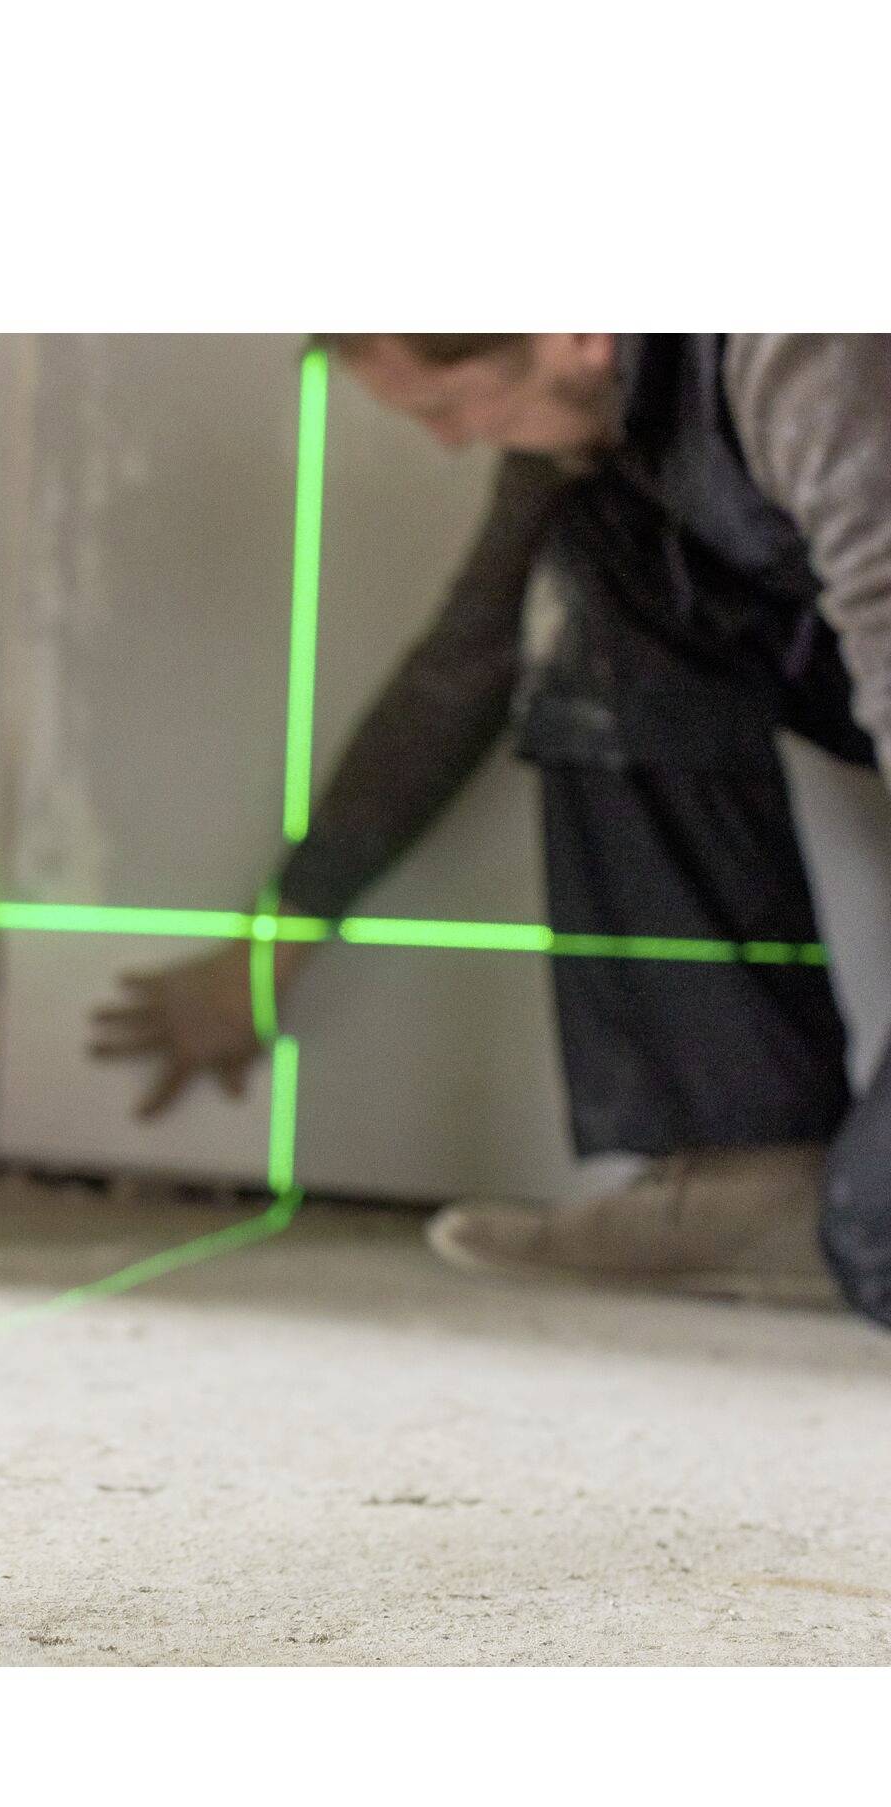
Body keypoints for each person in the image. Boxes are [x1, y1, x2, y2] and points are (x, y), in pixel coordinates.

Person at [89, 334, 891, 1322]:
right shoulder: (590, 439)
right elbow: (459, 672)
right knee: (594, 564)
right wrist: (268, 953)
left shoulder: (804, 347)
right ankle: (747, 1177)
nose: (446, 443)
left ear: (573, 334)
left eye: (452, 405)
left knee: (877, 1241)